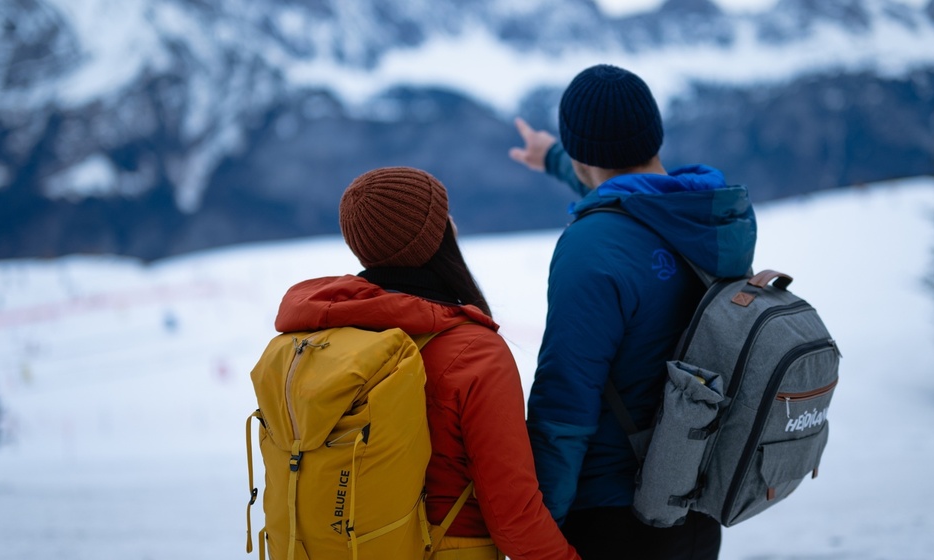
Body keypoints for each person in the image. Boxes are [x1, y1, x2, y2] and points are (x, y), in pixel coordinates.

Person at [509, 64, 758, 559]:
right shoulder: (711, 217)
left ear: (582, 151)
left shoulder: (590, 248)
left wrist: (540, 531)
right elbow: (632, 197)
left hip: (611, 522)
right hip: (694, 507)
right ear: (653, 134)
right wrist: (557, 159)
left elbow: (565, 405)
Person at [273, 166, 580, 560]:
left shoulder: (316, 337)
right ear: (437, 236)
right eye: (443, 215)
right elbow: (514, 517)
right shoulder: (474, 352)